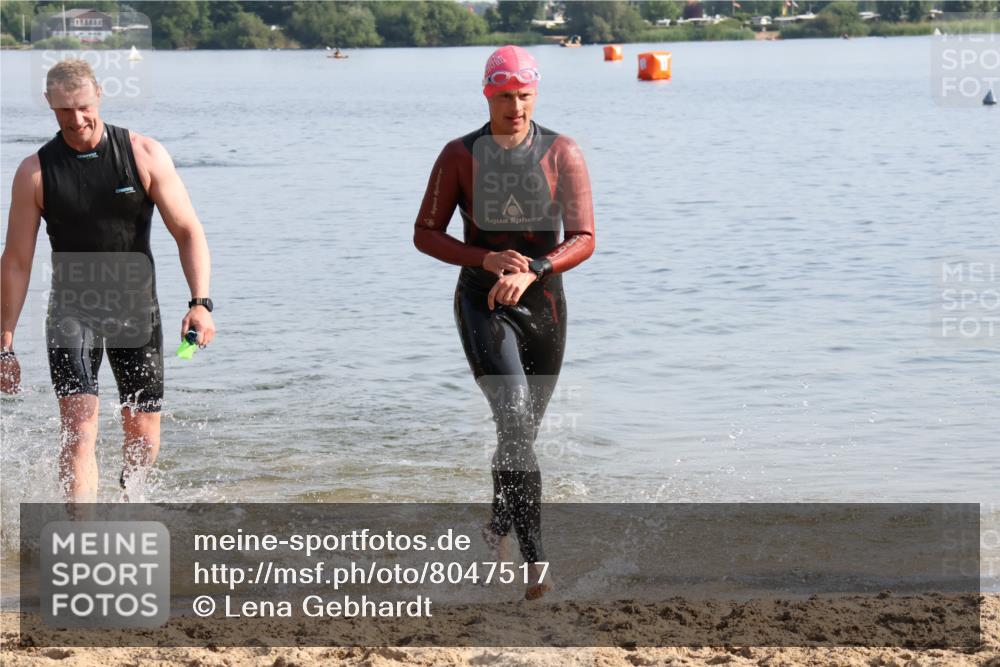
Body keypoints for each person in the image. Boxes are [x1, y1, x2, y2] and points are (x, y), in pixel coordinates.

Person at [413, 45, 595, 599]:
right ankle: (537, 569)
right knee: (514, 420)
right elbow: (425, 232)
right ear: (487, 95)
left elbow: (585, 238)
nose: (514, 106)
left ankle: (497, 525)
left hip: (545, 307)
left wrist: (537, 268)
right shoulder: (460, 155)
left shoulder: (562, 152)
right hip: (484, 303)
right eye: (503, 96)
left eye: (523, 96)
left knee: (520, 435)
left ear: (533, 95)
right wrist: (485, 260)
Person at [0, 59, 216, 503]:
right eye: (63, 111)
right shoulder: (35, 173)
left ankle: (127, 504)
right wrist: (4, 344)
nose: (75, 120)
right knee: (79, 427)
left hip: (136, 308)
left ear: (98, 94)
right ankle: (80, 538)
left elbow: (188, 231)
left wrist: (201, 302)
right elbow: (17, 262)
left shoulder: (142, 154)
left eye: (82, 106)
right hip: (71, 311)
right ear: (49, 104)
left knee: (143, 431)